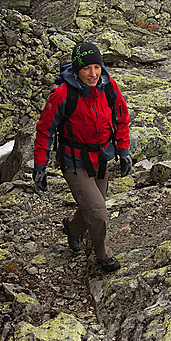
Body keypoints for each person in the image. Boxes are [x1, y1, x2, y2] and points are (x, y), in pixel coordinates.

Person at [33, 41, 132, 273]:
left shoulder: (108, 87)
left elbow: (121, 118)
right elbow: (44, 130)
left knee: (91, 206)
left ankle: (73, 229)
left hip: (101, 160)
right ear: (77, 69)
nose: (93, 74)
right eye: (87, 68)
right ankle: (102, 253)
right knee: (98, 211)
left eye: (96, 67)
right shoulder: (61, 95)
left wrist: (124, 150)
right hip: (74, 163)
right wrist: (40, 166)